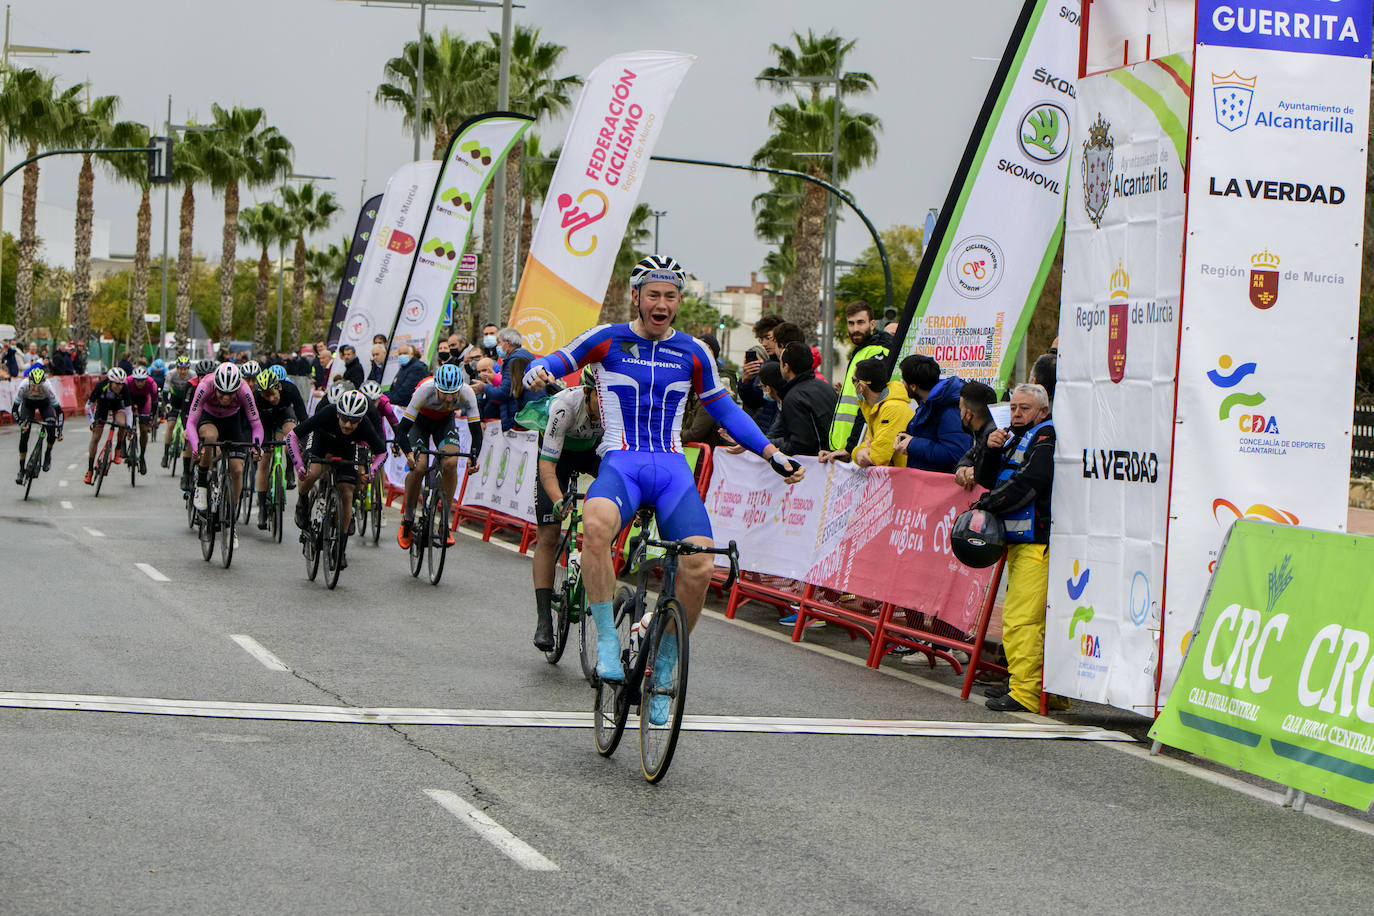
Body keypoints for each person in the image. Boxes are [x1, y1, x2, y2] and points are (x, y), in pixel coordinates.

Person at [523, 255, 803, 725]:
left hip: (673, 469)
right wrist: (537, 369)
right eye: (653, 294)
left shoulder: (694, 351)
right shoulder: (609, 338)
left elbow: (728, 411)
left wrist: (771, 453)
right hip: (622, 465)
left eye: (670, 295)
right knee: (594, 528)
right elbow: (559, 358)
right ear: (637, 297)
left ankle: (667, 665)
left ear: (678, 302)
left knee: (700, 562)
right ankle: (609, 643)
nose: (661, 303)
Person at [972, 383, 1056, 713]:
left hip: (1037, 542)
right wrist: (990, 449)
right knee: (1029, 619)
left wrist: (987, 505)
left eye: (1025, 408)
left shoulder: (1046, 437)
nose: (1017, 412)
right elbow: (987, 477)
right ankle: (1049, 691)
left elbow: (1030, 483)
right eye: (1014, 407)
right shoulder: (1014, 436)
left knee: (1023, 620)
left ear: (1042, 412)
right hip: (1022, 543)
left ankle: (1026, 693)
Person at [530, 366, 605, 651]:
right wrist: (559, 498)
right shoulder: (564, 407)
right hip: (558, 458)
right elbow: (547, 466)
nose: (607, 404)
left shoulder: (615, 411)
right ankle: (543, 620)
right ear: (587, 392)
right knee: (549, 534)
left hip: (590, 453)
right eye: (601, 397)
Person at [288, 389, 386, 570]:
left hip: (347, 448)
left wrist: (371, 471)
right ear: (338, 413)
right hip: (321, 441)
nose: (348, 425)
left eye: (354, 421)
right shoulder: (327, 413)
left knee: (347, 492)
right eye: (345, 419)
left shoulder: (364, 425)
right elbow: (292, 436)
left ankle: (340, 548)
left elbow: (381, 452)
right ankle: (302, 501)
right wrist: (299, 465)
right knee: (313, 472)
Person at [393, 362, 482, 550]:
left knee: (451, 462)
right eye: (444, 394)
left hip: (444, 423)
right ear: (436, 388)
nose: (449, 400)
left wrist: (473, 457)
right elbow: (402, 430)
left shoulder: (467, 393)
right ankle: (408, 520)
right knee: (419, 466)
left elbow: (476, 431)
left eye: (453, 394)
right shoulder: (424, 390)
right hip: (420, 423)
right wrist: (408, 453)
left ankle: (444, 523)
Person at [186, 363, 265, 516]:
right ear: (215, 387)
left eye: (230, 394)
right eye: (221, 394)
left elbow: (256, 424)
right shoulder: (205, 385)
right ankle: (202, 484)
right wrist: (196, 446)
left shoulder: (244, 390)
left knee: (237, 469)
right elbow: (191, 422)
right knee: (210, 437)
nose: (225, 398)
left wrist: (257, 446)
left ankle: (230, 517)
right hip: (209, 417)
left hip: (231, 421)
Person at [820, 357, 912, 468]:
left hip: (903, 479)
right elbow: (866, 444)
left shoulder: (892, 408)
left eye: (853, 380)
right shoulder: (875, 407)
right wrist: (859, 451)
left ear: (861, 386)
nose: (852, 384)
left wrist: (859, 452)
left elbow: (877, 457)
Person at [829, 301, 893, 455]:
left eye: (860, 322)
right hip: (845, 445)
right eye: (851, 323)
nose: (855, 329)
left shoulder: (877, 352)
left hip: (859, 449)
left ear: (872, 324)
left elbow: (869, 405)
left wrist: (851, 446)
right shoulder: (861, 351)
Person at [891, 354, 972, 473]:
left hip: (940, 485)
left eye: (903, 380)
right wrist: (906, 440)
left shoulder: (949, 409)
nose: (901, 384)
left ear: (913, 386)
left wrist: (912, 444)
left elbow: (955, 453)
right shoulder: (927, 403)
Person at [763, 341, 837, 457]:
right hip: (832, 460)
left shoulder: (794, 397)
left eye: (780, 363)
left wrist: (771, 447)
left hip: (815, 465)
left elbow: (800, 444)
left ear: (786, 367)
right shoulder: (825, 386)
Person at [250, 369, 302, 529]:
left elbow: (303, 417)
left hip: (284, 415)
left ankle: (289, 470)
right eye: (266, 395)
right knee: (264, 461)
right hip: (264, 422)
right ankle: (263, 509)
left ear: (279, 386)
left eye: (272, 393)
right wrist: (257, 446)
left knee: (292, 433)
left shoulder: (290, 390)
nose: (271, 398)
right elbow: (253, 425)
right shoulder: (257, 398)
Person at [83, 367, 135, 485]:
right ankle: (90, 470)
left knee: (122, 424)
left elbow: (128, 411)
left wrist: (129, 427)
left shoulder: (124, 389)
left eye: (121, 384)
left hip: (118, 405)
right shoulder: (101, 386)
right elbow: (88, 407)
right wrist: (92, 422)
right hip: (102, 406)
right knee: (96, 437)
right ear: (110, 381)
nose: (119, 387)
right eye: (116, 384)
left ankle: (118, 449)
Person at [486, 328, 544, 432]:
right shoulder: (526, 356)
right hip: (530, 414)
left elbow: (504, 393)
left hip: (519, 418)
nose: (497, 346)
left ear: (507, 343)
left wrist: (485, 387)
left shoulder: (514, 361)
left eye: (499, 343)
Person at [12, 366, 63, 481]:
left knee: (51, 427)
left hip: (44, 404)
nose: (35, 389)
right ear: (29, 382)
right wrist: (21, 423)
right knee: (24, 433)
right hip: (28, 404)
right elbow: (14, 410)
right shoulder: (23, 386)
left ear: (43, 385)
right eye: (33, 386)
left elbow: (59, 412)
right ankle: (21, 469)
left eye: (38, 387)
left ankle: (48, 453)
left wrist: (59, 430)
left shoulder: (48, 387)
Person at [953, 380, 999, 490]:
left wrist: (975, 471)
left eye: (960, 409)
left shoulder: (992, 435)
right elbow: (970, 456)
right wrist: (962, 468)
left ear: (968, 414)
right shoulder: (983, 433)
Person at [124, 365, 160, 475]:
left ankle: (142, 456)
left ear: (146, 380)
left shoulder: (152, 384)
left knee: (144, 430)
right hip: (129, 399)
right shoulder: (127, 382)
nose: (139, 383)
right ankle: (122, 445)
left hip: (143, 402)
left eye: (142, 381)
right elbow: (121, 399)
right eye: (137, 381)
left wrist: (152, 416)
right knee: (126, 423)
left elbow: (154, 402)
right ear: (133, 379)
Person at [388, 343, 429, 408]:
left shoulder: (418, 368)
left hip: (408, 408)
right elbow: (393, 388)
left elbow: (407, 391)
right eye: (400, 354)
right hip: (397, 406)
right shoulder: (403, 368)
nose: (402, 356)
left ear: (412, 354)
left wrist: (390, 402)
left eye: (405, 353)